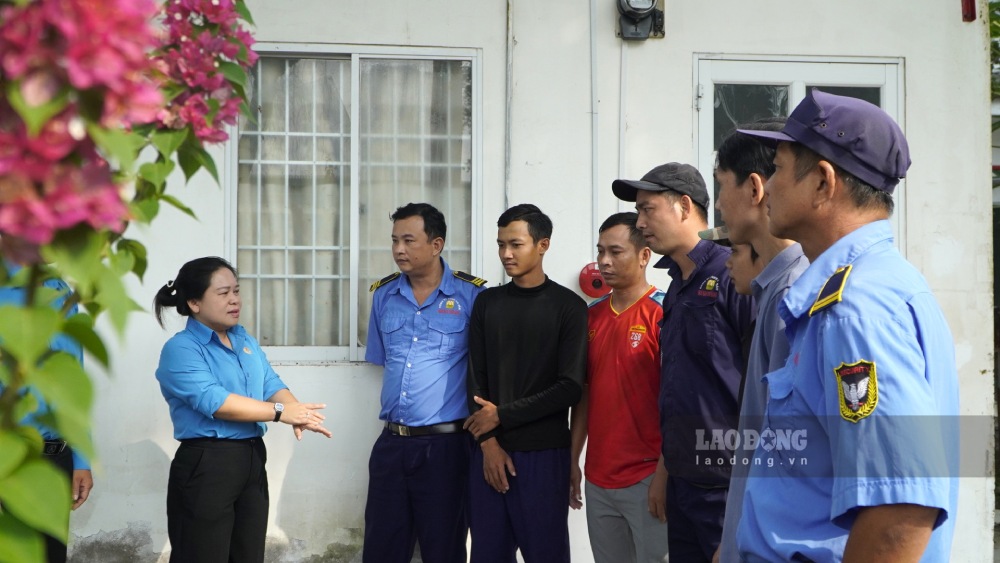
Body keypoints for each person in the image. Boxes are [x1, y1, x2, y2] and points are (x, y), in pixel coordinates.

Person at [735, 89, 958, 561]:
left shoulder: (854, 307)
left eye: (777, 167)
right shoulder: (882, 284)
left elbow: (898, 509)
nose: (768, 186)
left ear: (822, 182)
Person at [612, 163, 755, 562]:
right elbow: (681, 388)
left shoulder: (733, 272)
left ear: (684, 206)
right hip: (684, 483)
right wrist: (665, 472)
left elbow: (761, 384)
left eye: (647, 209)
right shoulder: (677, 284)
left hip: (726, 486)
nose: (640, 223)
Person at [154, 256, 331, 563]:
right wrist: (279, 412)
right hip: (207, 463)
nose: (235, 300)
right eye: (223, 293)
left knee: (247, 555)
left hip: (250, 458)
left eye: (236, 291)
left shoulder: (243, 339)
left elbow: (270, 382)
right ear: (194, 303)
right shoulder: (181, 349)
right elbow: (216, 402)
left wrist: (296, 411)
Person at [707, 120, 810, 563]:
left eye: (719, 187)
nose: (717, 206)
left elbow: (793, 454)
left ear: (754, 189)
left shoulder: (794, 293)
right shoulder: (773, 289)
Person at [363, 202, 487, 563]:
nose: (399, 250)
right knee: (382, 547)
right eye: (394, 241)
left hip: (445, 448)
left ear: (436, 245)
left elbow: (484, 367)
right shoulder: (384, 295)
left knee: (443, 548)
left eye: (409, 240)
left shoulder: (472, 296)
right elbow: (384, 358)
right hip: (391, 445)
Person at [464, 203, 587, 563]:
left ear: (543, 245)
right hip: (487, 452)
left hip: (544, 457)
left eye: (515, 244)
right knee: (487, 554)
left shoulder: (569, 308)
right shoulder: (487, 303)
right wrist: (488, 443)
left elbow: (570, 386)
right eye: (501, 244)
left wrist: (502, 414)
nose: (505, 253)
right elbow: (474, 378)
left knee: (546, 554)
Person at [568, 212, 669, 563]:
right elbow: (583, 394)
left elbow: (678, 402)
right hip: (599, 479)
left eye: (615, 251)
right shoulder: (590, 317)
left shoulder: (665, 313)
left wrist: (664, 474)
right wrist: (573, 458)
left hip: (648, 478)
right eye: (600, 252)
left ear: (644, 256)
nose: (604, 262)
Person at [0, 263, 92, 563]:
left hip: (56, 456)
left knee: (51, 556)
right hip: (9, 454)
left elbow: (73, 379)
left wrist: (81, 457)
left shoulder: (58, 290)